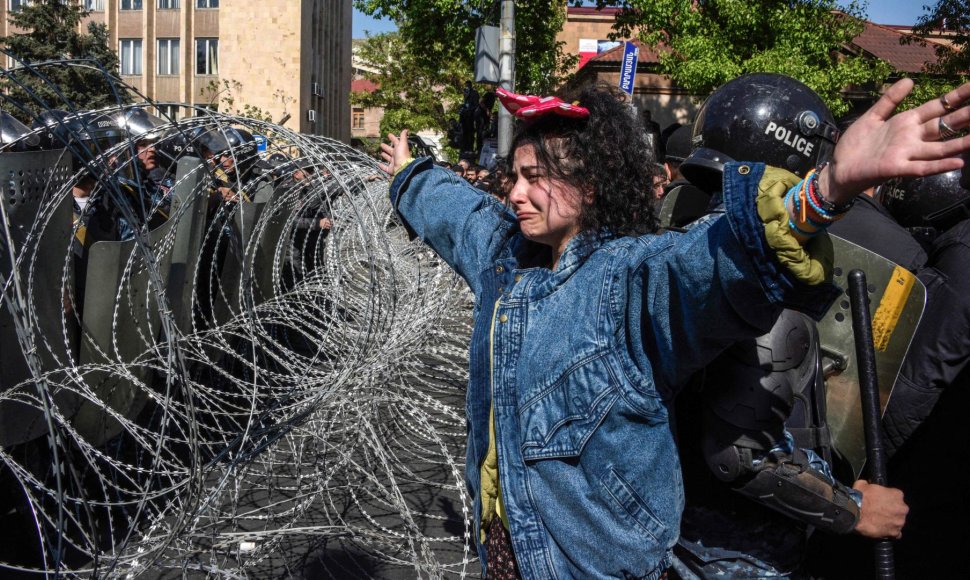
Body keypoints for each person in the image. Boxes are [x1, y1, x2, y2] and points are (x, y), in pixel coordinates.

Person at [379, 78, 970, 579]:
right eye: (514, 175)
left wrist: (826, 189)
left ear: (590, 187)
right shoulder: (505, 256)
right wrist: (410, 174)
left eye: (537, 177)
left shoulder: (630, 280)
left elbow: (713, 264)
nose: (516, 193)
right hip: (508, 553)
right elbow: (456, 212)